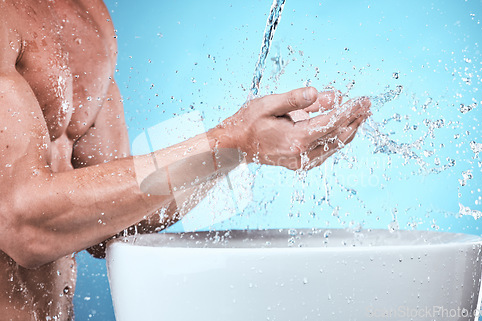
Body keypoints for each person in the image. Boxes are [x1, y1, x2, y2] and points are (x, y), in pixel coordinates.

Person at [0, 0, 371, 319]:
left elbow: (109, 221)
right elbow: (22, 224)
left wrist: (240, 150)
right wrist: (229, 140)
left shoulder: (85, 15)